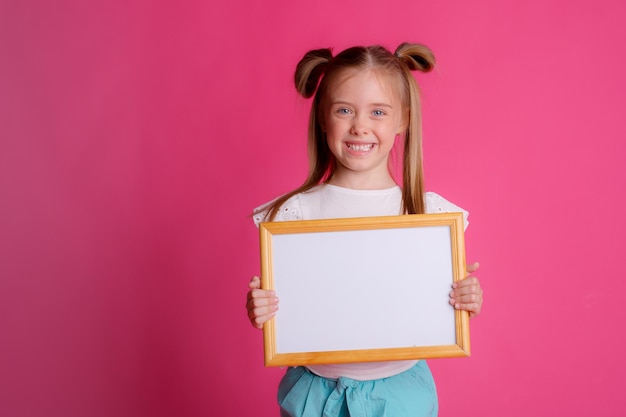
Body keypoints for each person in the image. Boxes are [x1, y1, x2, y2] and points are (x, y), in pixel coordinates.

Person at [246, 42, 484, 417]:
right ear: (323, 118)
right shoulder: (293, 215)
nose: (360, 126)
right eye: (344, 110)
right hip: (313, 391)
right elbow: (285, 308)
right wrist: (263, 308)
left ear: (402, 120)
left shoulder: (426, 214)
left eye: (377, 112)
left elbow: (437, 302)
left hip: (402, 393)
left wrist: (465, 300)